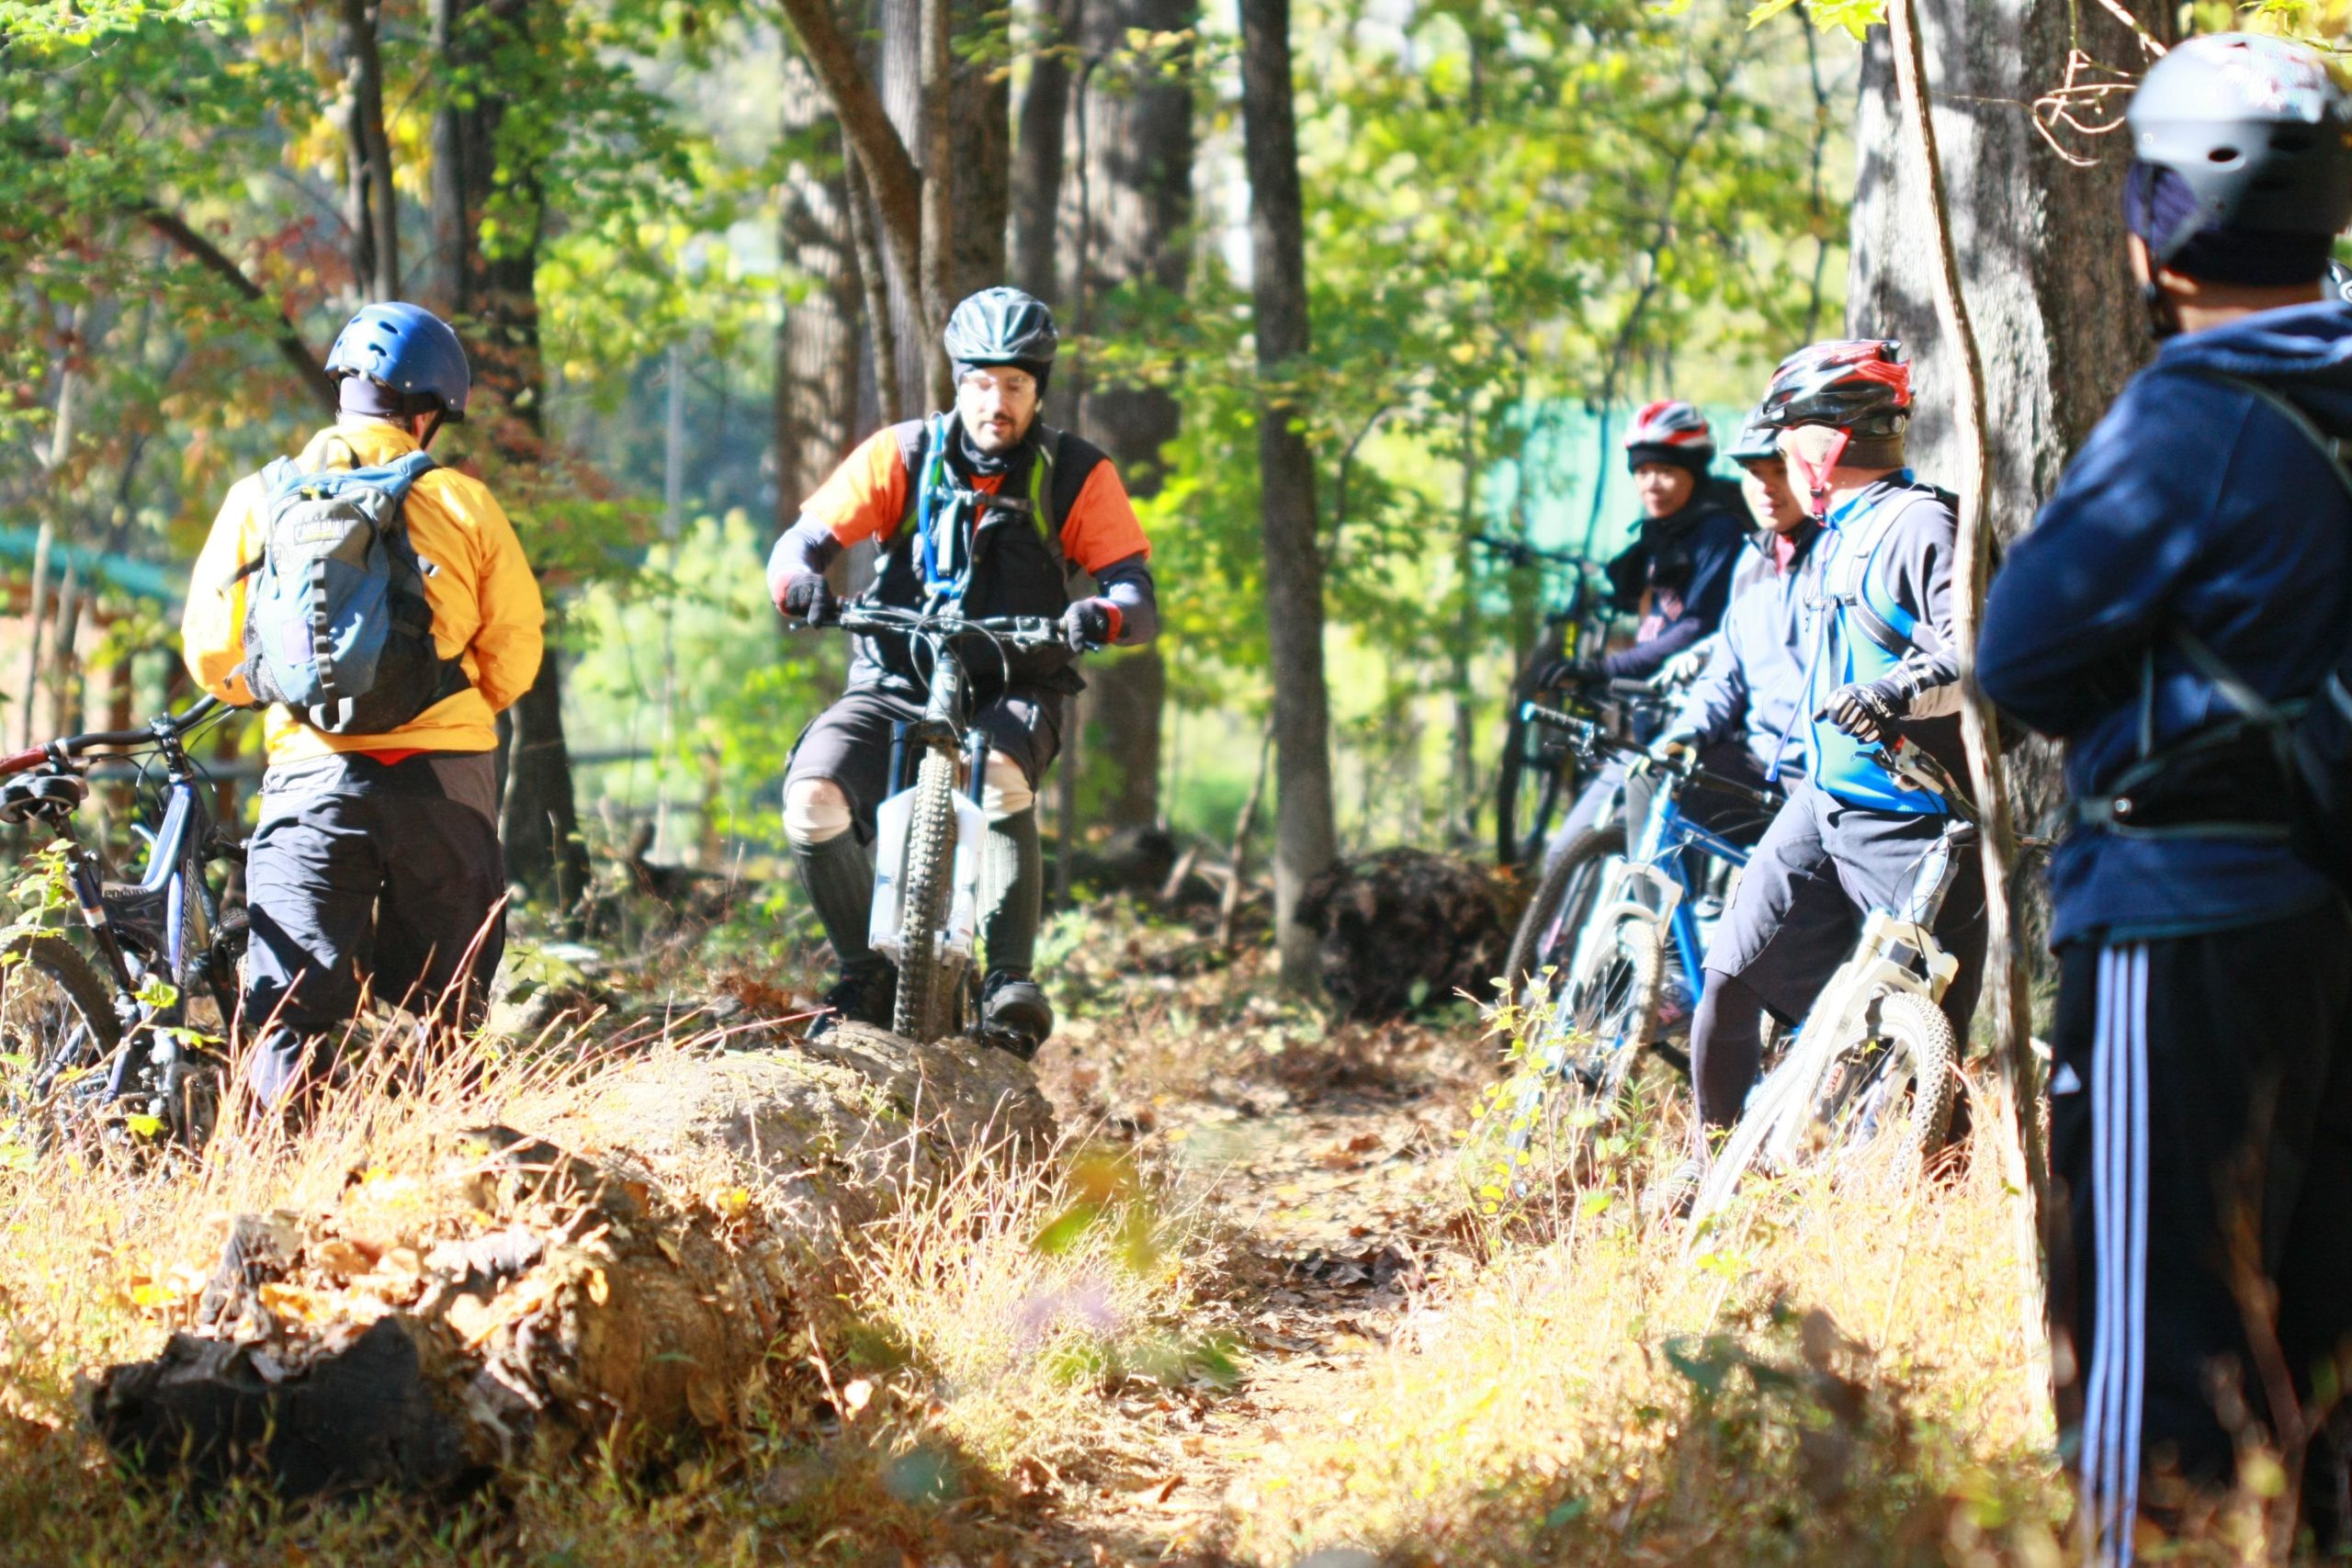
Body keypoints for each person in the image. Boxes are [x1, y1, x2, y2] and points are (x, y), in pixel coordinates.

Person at [1977, 33, 2352, 1555]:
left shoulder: (2192, 413)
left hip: (2185, 919)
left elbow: (2021, 652)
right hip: (2335, 912)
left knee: (2152, 1322)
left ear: (2154, 221)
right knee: (2314, 1321)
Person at [768, 287, 1158, 1055]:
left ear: (1038, 389)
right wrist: (800, 582)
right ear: (958, 383)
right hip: (893, 677)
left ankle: (1011, 979)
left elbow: (1135, 592)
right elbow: (800, 542)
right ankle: (864, 974)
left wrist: (1102, 615)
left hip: (1016, 682)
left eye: (1015, 385)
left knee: (1002, 774)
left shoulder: (1075, 472)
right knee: (812, 801)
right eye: (982, 382)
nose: (997, 402)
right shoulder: (900, 455)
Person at [181, 301, 544, 1109]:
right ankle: (447, 1185)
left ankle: (282, 1195)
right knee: (450, 1014)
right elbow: (515, 651)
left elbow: (211, 651)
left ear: (344, 389)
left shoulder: (261, 496)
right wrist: (451, 703)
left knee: (286, 1015)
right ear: (429, 414)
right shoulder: (462, 502)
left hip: (312, 784)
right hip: (444, 787)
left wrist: (287, 691)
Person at [1657, 339, 1983, 1215]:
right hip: (1823, 806)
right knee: (1727, 983)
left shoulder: (1922, 523)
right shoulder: (1836, 533)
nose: (1782, 460)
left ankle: (1922, 1240)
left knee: (1923, 1061)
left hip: (1914, 824)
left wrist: (1894, 688)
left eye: (1788, 436)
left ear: (1824, 445)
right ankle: (1716, 1175)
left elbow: (1974, 653)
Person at [1532, 400, 1751, 861]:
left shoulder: (1719, 533)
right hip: (1645, 727)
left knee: (1652, 860)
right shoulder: (1660, 536)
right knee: (1564, 857)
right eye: (1643, 470)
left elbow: (1696, 627)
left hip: (1698, 733)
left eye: (1666, 470)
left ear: (1694, 471)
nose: (1652, 482)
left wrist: (1601, 669)